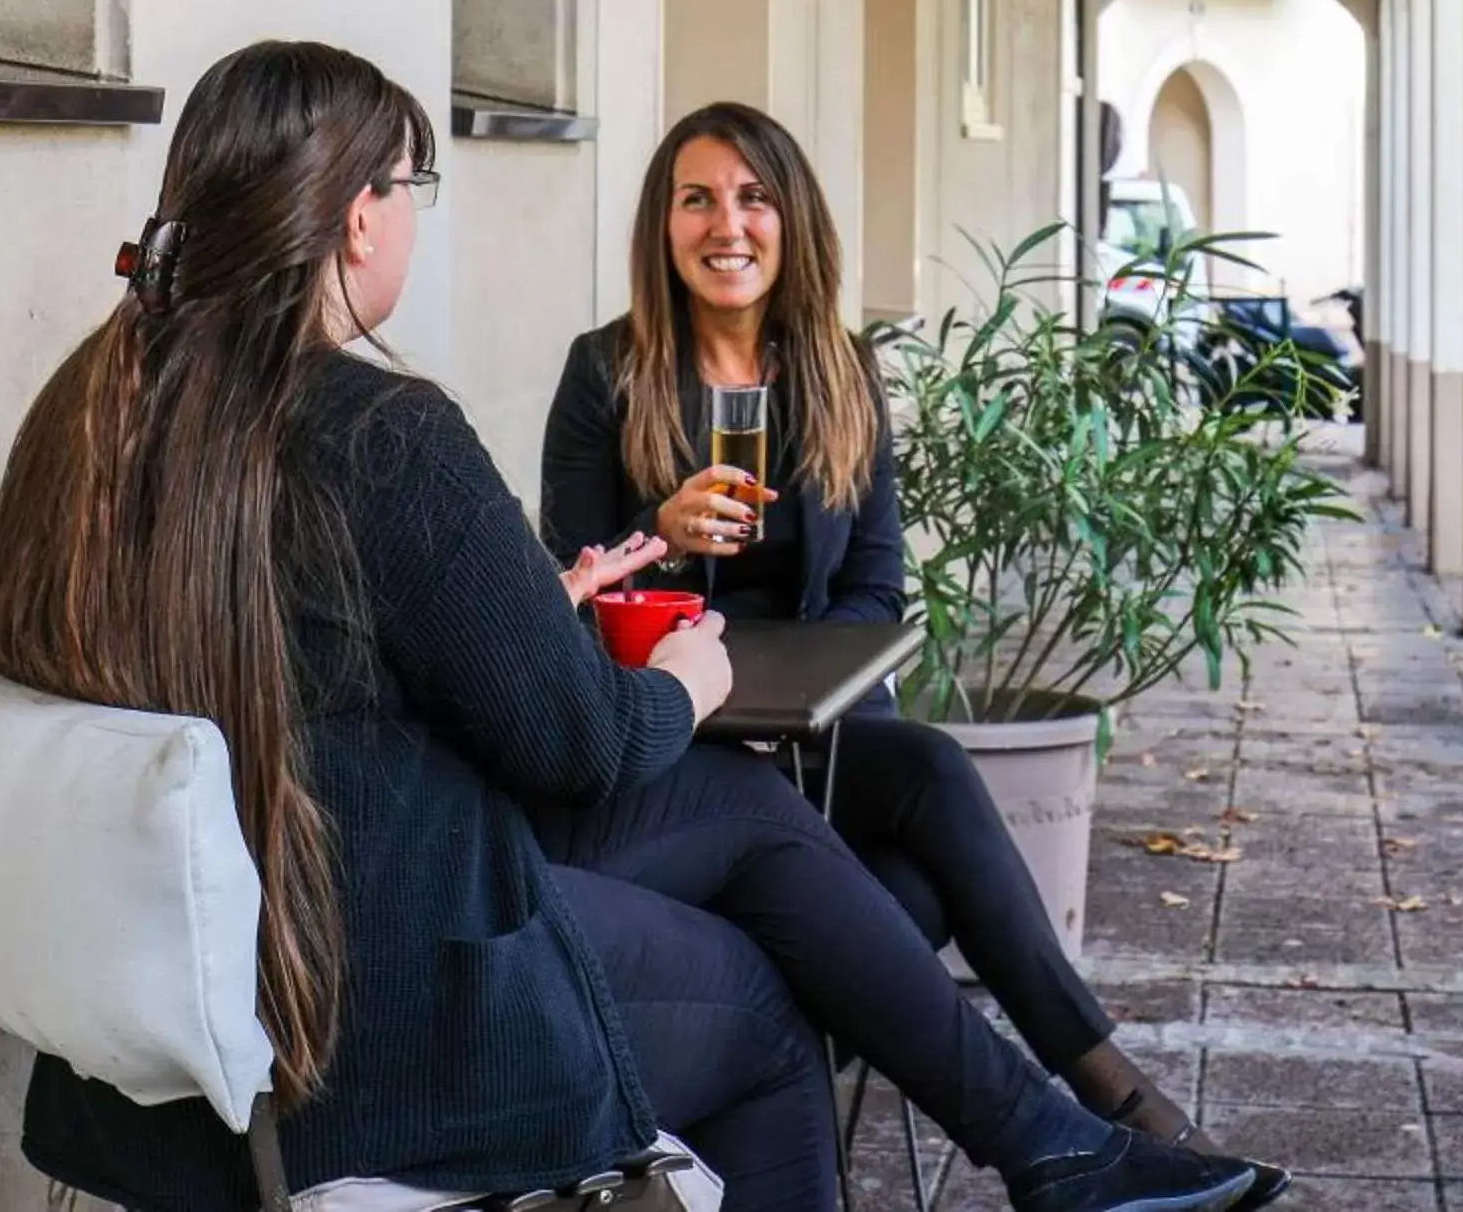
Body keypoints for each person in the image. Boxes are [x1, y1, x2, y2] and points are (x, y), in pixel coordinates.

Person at [0, 42, 1257, 1212]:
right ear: (360, 218)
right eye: (411, 186)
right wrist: (687, 681)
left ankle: (1057, 1145)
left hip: (198, 963)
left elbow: (300, 655)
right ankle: (1057, 1145)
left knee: (769, 825)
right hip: (371, 1000)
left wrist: (539, 608)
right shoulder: (379, 431)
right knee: (758, 995)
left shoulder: (86, 410)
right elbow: (576, 743)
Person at [542, 105, 1279, 1200]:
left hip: (814, 746)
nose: (726, 224)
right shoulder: (607, 373)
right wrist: (664, 524)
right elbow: (572, 590)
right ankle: (1097, 1130)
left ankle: (1099, 1105)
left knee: (927, 790)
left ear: (792, 218)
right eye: (697, 199)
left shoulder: (840, 373)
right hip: (674, 757)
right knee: (895, 904)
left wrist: (790, 690)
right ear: (663, 225)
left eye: (753, 197)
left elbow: (877, 585)